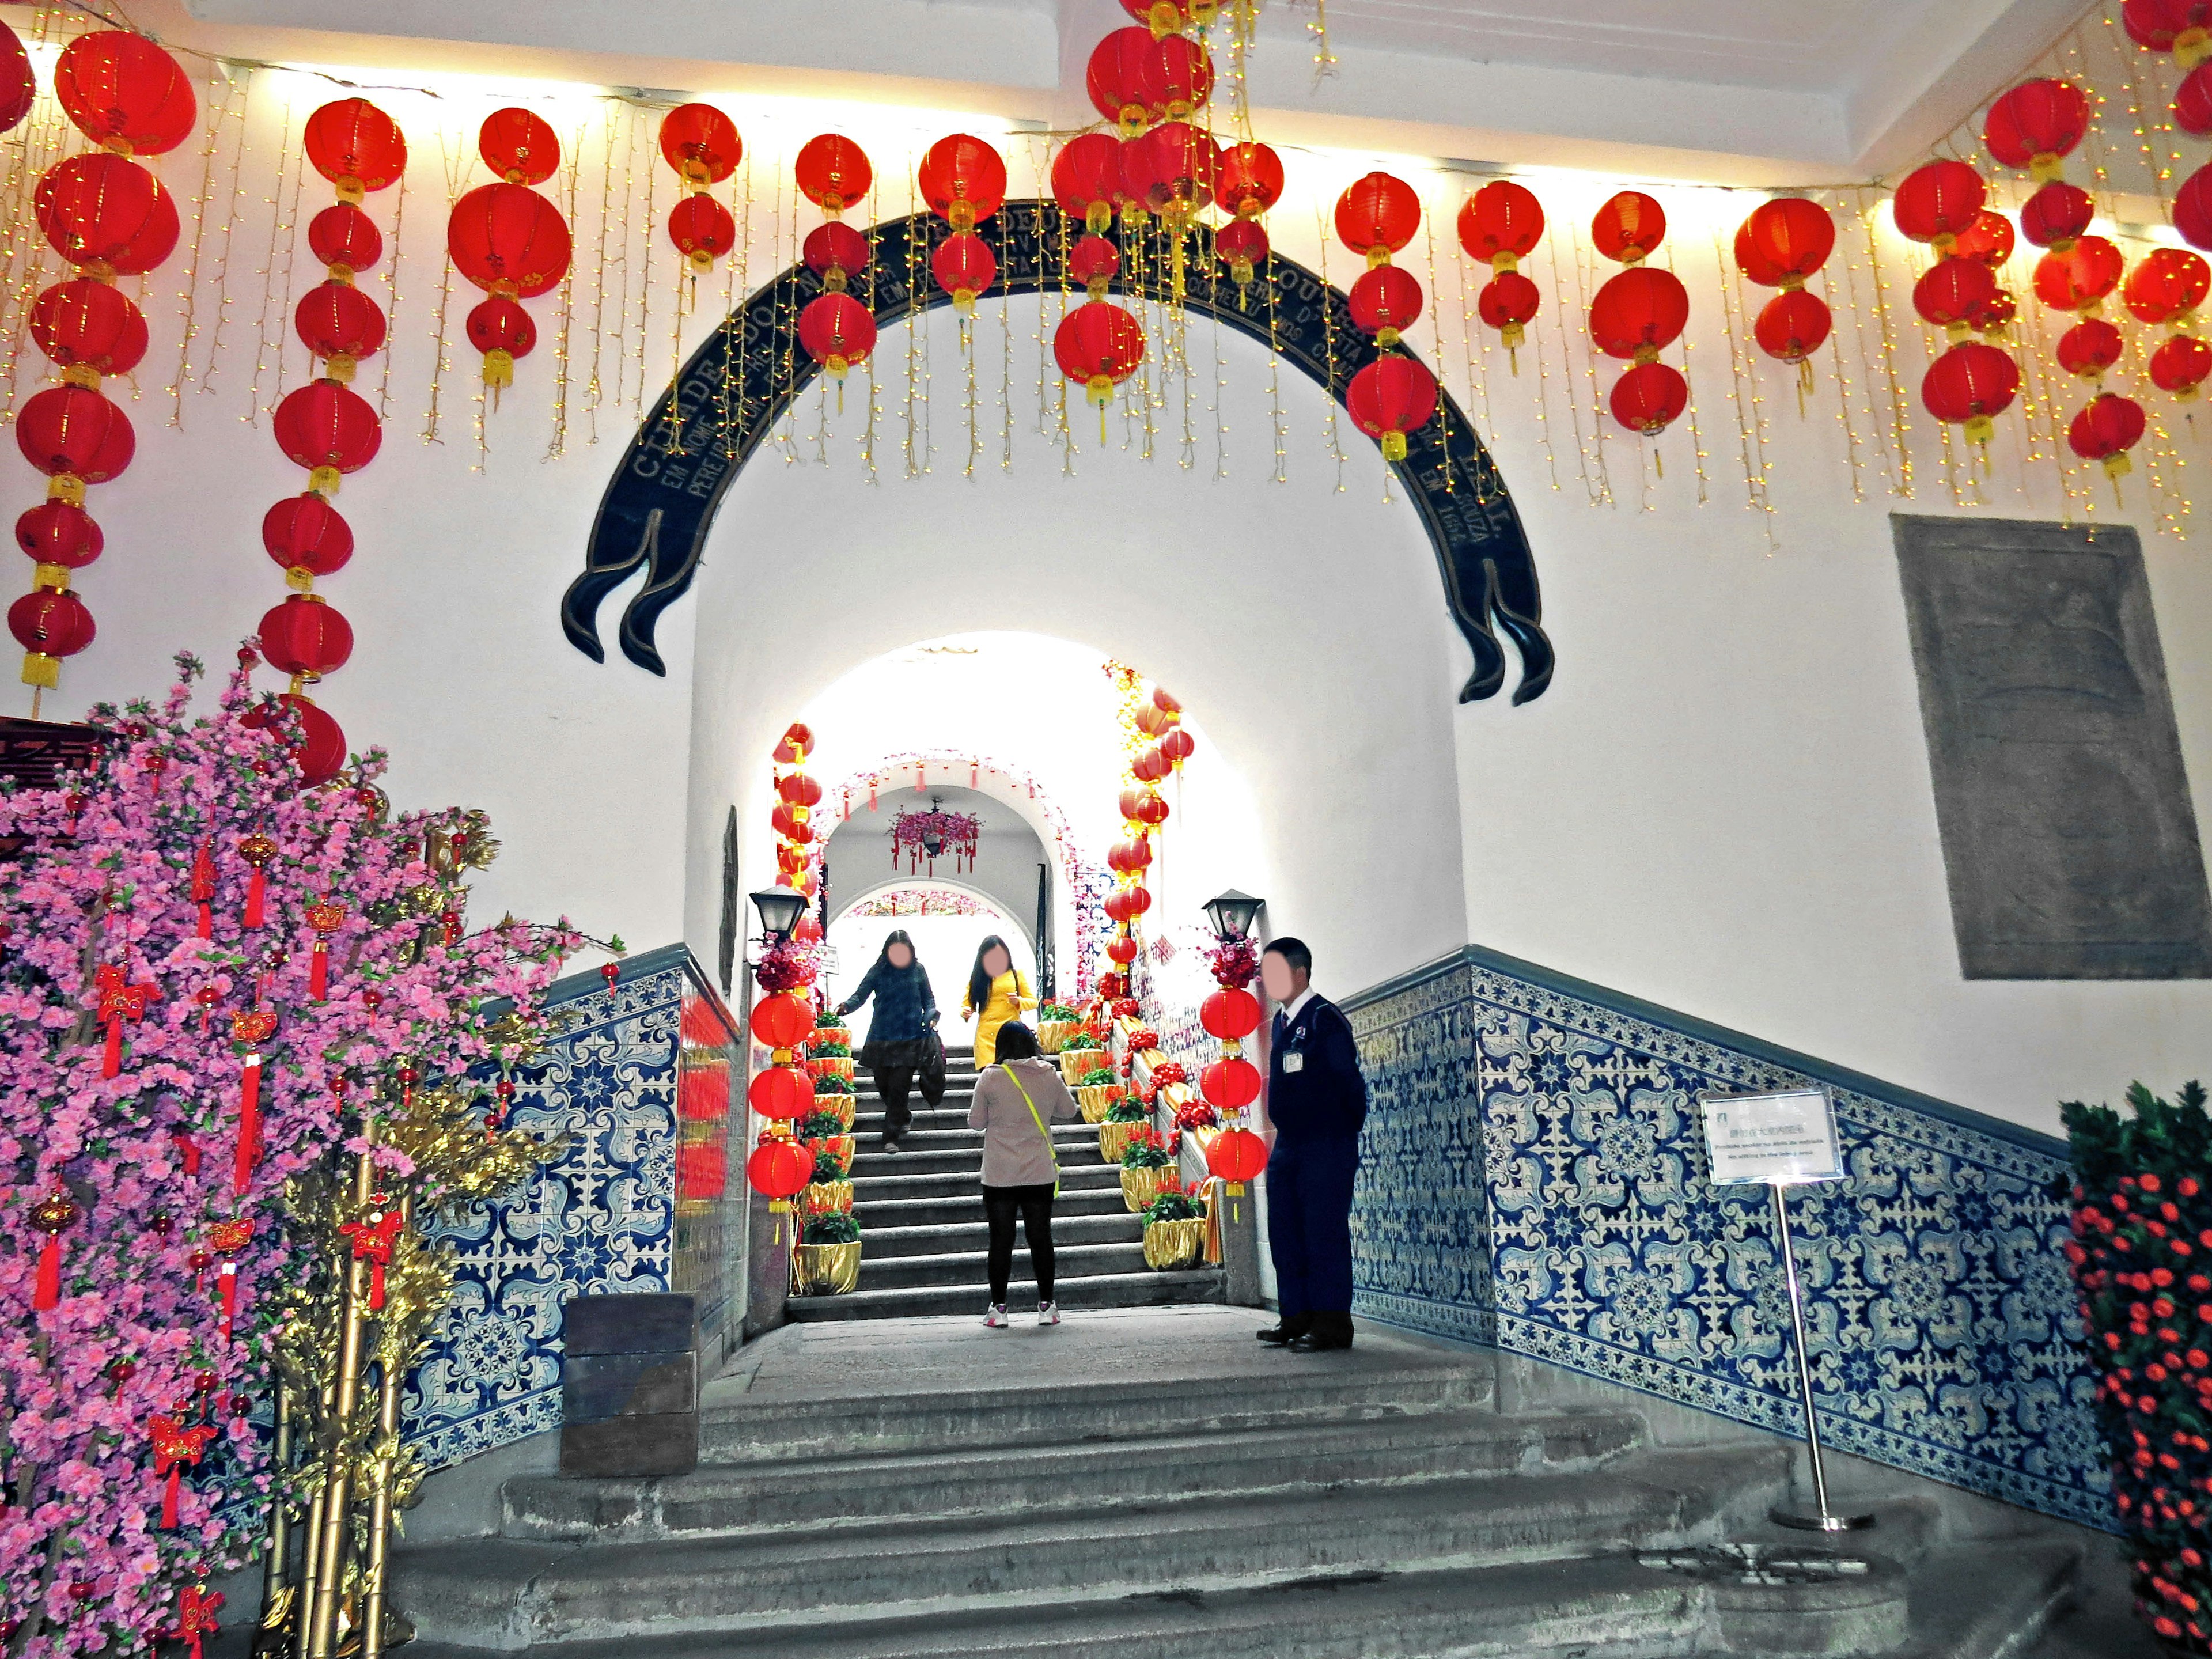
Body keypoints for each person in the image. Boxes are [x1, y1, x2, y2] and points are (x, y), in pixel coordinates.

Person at [1254, 937, 1368, 1353]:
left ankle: (1332, 1325)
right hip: (1290, 1144)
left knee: (1323, 1232)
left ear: (1300, 973)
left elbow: (1350, 1087)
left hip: (1326, 1144)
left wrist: (1336, 1133)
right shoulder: (1285, 1022)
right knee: (1286, 1229)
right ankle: (1296, 1316)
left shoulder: (1324, 1019)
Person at [967, 1021, 1079, 1327]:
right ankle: (1047, 1306)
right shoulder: (1048, 1074)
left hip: (1000, 1174)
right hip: (1039, 1172)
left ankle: (999, 1310)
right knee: (1040, 1238)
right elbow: (1068, 1111)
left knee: (1001, 1240)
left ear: (1001, 1045)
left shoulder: (990, 1078)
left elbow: (976, 1122)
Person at [833, 930, 938, 1154]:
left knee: (899, 1088)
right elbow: (860, 995)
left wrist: (931, 1016)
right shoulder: (878, 970)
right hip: (881, 1038)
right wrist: (846, 1007)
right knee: (883, 1087)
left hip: (910, 1039)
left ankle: (890, 1137)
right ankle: (904, 1115)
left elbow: (929, 999)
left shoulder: (918, 971)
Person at [960, 934, 1036, 1069]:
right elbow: (967, 1004)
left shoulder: (1016, 975)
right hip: (986, 1037)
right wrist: (965, 1012)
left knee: (1012, 1075)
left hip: (1011, 1035)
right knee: (990, 1076)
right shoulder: (978, 979)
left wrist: (1018, 1002)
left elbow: (1033, 1002)